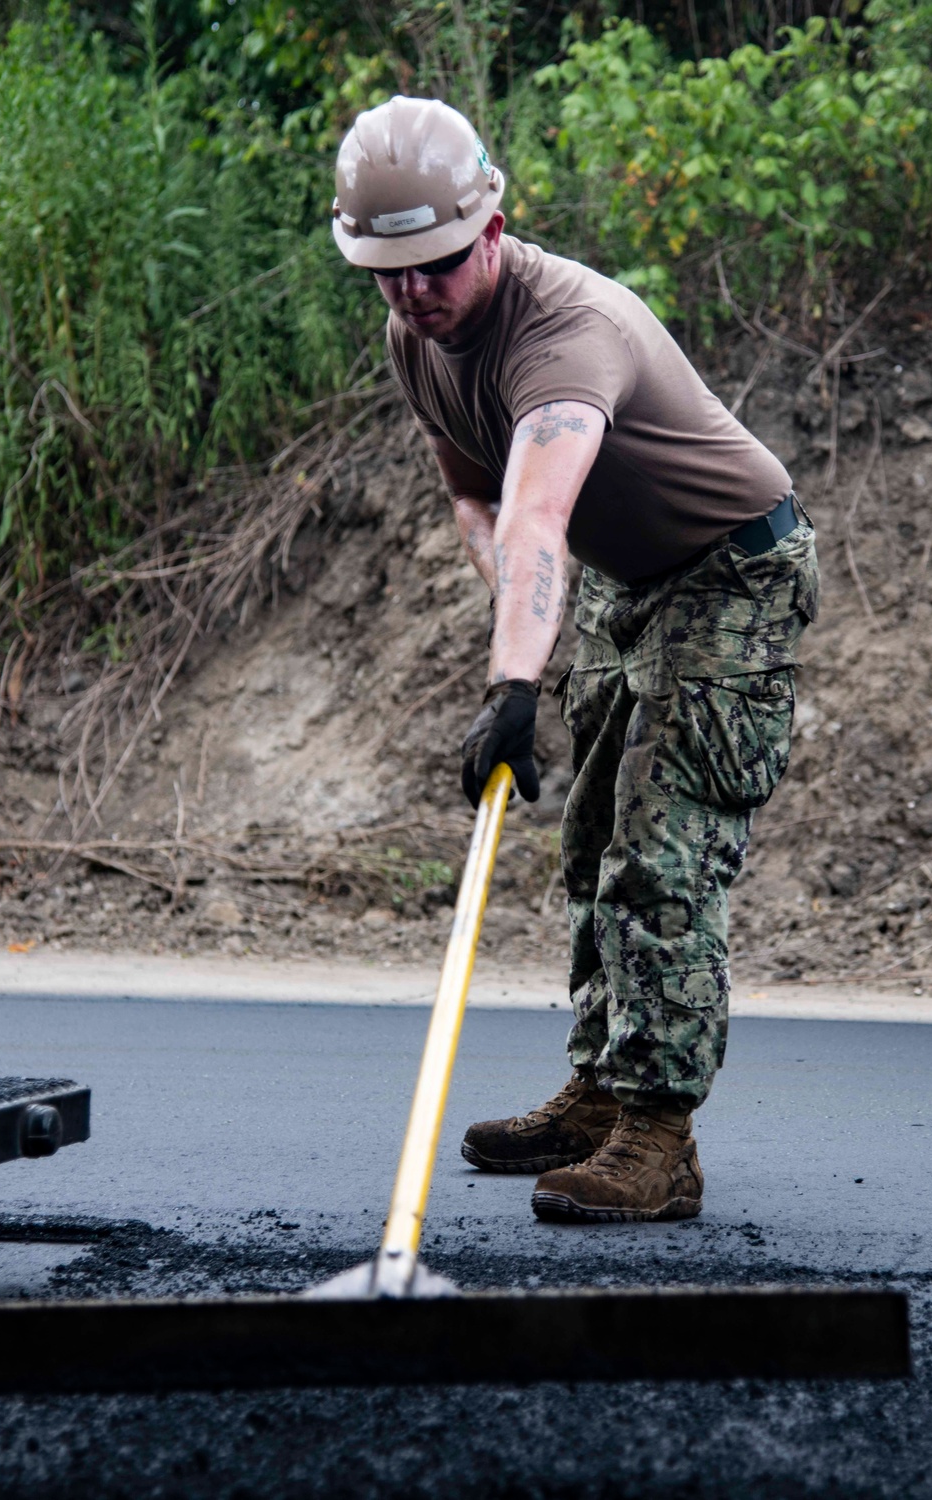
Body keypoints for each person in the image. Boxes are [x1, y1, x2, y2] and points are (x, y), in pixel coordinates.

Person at [332, 96, 819, 1224]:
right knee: (591, 838)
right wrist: (528, 634)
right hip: (625, 583)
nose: (413, 291)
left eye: (438, 265)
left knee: (661, 852)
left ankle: (658, 1140)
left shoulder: (564, 331)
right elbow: (474, 494)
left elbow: (537, 514)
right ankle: (601, 1090)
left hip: (730, 574)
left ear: (492, 229)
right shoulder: (419, 335)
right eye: (388, 271)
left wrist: (512, 688)